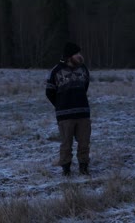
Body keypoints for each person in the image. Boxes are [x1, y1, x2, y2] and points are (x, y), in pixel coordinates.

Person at [46, 42, 91, 176]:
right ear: (69, 56)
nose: (79, 56)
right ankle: (66, 170)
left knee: (84, 143)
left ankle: (84, 168)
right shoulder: (56, 71)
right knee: (66, 144)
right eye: (76, 54)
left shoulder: (83, 69)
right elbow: (49, 92)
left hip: (83, 113)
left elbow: (85, 87)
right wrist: (60, 105)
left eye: (79, 53)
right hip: (65, 116)